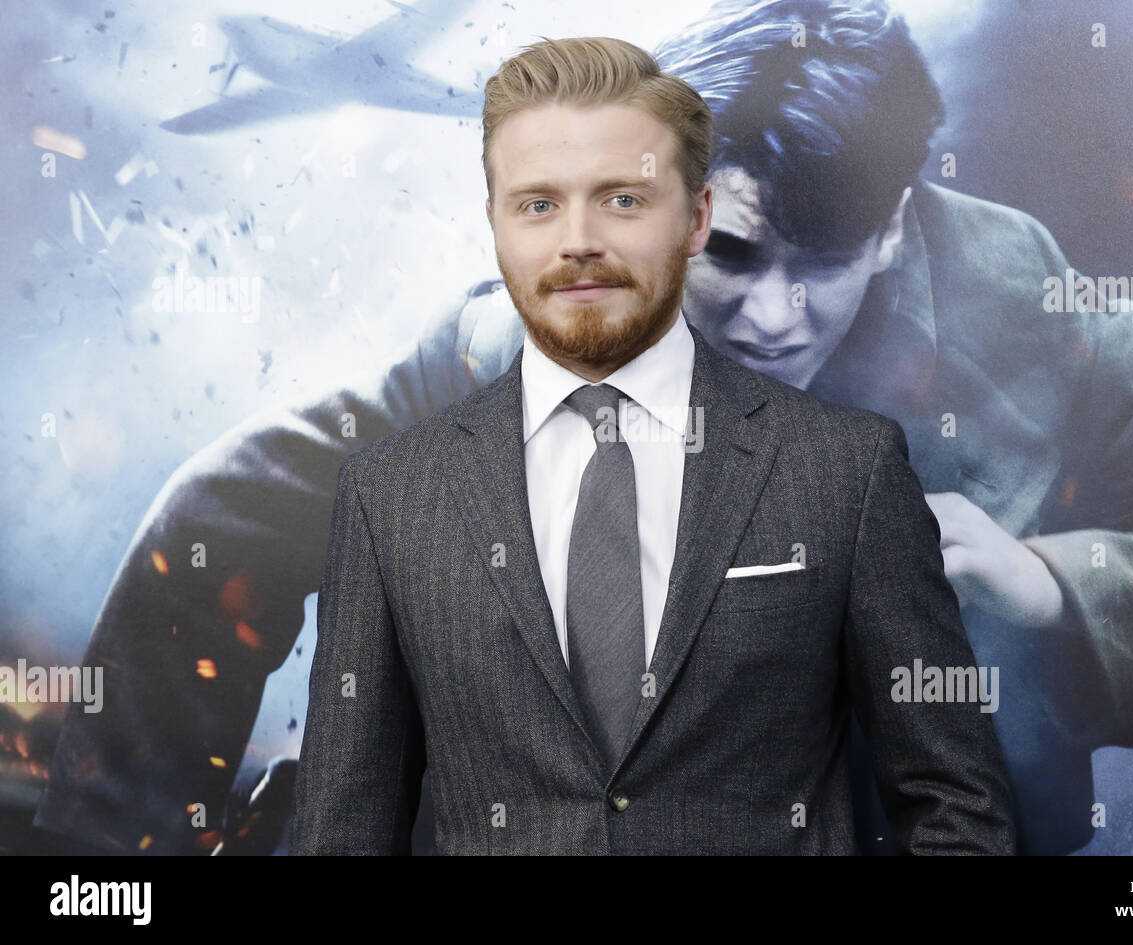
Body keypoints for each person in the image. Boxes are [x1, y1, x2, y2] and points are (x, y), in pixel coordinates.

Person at [35, 0, 1133, 856]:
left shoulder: (1018, 302)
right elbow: (222, 523)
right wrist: (120, 863)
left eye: (829, 259)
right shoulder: (524, 333)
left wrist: (1049, 586)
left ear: (898, 222)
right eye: (731, 253)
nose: (776, 316)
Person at [288, 34, 1016, 855]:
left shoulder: (847, 469)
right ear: (492, 223)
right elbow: (341, 832)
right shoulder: (390, 496)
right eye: (536, 204)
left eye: (622, 201)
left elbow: (958, 809)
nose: (578, 242)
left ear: (694, 218)